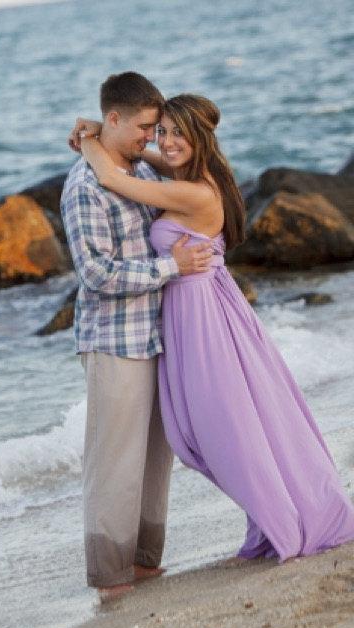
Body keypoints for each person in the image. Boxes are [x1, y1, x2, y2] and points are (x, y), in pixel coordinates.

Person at [70, 93, 354, 569]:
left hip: (202, 319)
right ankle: (275, 513)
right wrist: (100, 132)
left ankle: (289, 518)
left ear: (201, 137)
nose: (167, 141)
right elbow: (136, 157)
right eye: (162, 131)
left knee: (223, 427)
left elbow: (112, 177)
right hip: (188, 314)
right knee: (218, 425)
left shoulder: (197, 192)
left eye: (179, 133)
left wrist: (87, 137)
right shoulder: (184, 174)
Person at [60, 72, 213, 602]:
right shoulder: (84, 187)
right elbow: (97, 273)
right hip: (114, 342)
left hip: (157, 337)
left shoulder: (135, 167)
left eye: (156, 127)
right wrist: (168, 267)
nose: (152, 137)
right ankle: (110, 578)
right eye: (145, 127)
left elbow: (185, 162)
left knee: (154, 459)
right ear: (115, 118)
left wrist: (86, 136)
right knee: (115, 463)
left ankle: (145, 564)